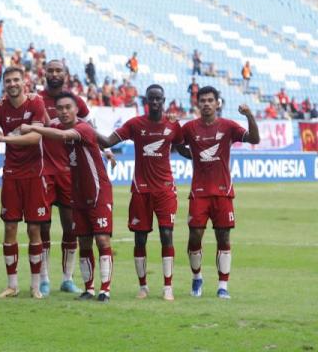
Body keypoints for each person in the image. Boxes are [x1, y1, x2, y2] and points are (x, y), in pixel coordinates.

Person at [20, 92, 114, 302]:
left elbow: (63, 136)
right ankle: (89, 289)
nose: (63, 112)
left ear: (76, 109)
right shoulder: (62, 127)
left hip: (98, 191)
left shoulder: (81, 128)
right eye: (60, 108)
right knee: (85, 241)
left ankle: (105, 290)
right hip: (78, 192)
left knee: (101, 239)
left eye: (67, 108)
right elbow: (52, 126)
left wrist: (33, 127)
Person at [97, 84, 183, 301]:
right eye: (151, 99)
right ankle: (143, 286)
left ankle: (167, 287)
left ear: (164, 101)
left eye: (159, 99)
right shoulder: (135, 124)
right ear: (146, 100)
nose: (155, 103)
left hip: (165, 189)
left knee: (166, 235)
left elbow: (183, 147)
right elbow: (108, 141)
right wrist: (84, 129)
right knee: (140, 239)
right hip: (141, 190)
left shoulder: (173, 125)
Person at [176, 86, 259, 299]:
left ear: (217, 103)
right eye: (202, 100)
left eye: (210, 100)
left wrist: (249, 115)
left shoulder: (228, 126)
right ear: (197, 104)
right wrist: (192, 154)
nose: (206, 103)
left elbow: (254, 139)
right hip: (199, 192)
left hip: (223, 192)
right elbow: (177, 144)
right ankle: (197, 278)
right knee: (195, 236)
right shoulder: (189, 128)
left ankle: (223, 286)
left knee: (223, 237)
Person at [0, 66, 50, 299]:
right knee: (10, 227)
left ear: (25, 82)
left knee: (34, 228)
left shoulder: (35, 103)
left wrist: (3, 137)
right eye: (8, 81)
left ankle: (35, 286)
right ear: (4, 84)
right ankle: (12, 285)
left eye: (16, 80)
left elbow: (36, 136)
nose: (12, 84)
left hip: (34, 174)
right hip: (11, 174)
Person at [37, 60, 91, 296]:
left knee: (71, 227)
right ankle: (44, 278)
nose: (55, 74)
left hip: (70, 173)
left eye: (59, 70)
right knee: (43, 226)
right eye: (51, 70)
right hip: (44, 171)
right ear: (44, 73)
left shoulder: (77, 102)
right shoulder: (36, 100)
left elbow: (88, 129)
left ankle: (67, 278)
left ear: (66, 74)